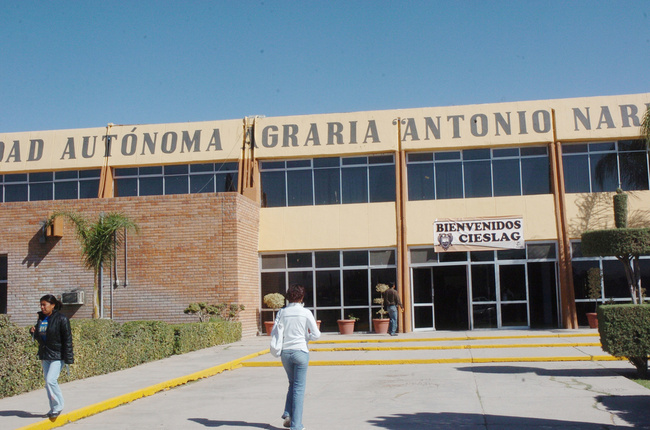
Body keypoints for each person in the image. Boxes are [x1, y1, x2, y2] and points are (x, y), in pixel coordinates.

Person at [270, 284, 320, 430]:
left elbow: (275, 331)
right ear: (302, 297)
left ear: (288, 297)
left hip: (285, 352)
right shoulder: (306, 313)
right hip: (300, 352)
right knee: (298, 388)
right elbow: (316, 335)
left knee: (292, 383)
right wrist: (307, 336)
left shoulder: (282, 312)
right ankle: (296, 426)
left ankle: (288, 413)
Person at [30, 294, 74, 418]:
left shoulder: (61, 319)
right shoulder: (41, 319)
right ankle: (53, 408)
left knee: (51, 380)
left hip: (57, 355)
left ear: (53, 305)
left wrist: (68, 357)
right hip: (45, 355)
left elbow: (67, 339)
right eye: (41, 305)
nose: (42, 307)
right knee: (47, 383)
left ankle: (58, 406)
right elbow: (41, 337)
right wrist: (33, 332)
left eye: (45, 305)